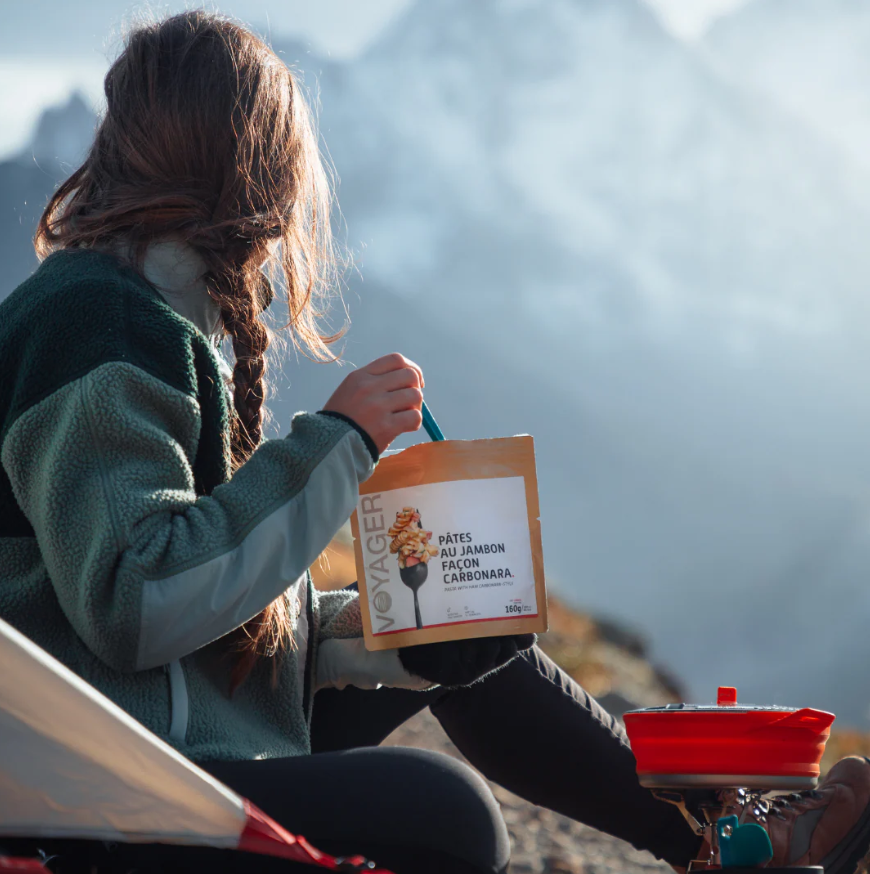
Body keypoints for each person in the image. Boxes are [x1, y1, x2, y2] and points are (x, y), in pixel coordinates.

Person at [1, 10, 868, 874]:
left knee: (463, 631)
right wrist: (339, 440)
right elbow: (137, 604)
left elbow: (187, 628)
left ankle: (724, 846)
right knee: (446, 815)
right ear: (259, 174)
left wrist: (397, 635)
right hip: (100, 799)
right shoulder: (96, 323)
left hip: (155, 745)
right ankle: (733, 843)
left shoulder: (150, 316)